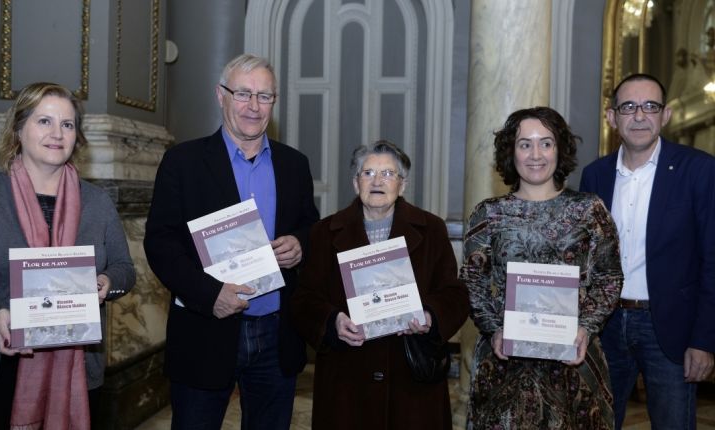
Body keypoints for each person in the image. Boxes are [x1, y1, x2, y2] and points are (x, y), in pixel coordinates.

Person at [144, 53, 319, 429]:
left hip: (276, 334)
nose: (254, 107)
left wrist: (301, 244)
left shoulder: (295, 164)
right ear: (220, 95)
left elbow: (310, 224)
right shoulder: (182, 162)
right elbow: (160, 243)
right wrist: (210, 296)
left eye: (265, 96)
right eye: (243, 94)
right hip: (205, 332)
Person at [0, 82, 136, 429]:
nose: (57, 133)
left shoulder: (97, 202)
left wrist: (107, 283)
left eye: (67, 124)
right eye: (44, 121)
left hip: (78, 370)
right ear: (18, 129)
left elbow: (125, 270)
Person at [461, 107, 623, 429]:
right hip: (505, 362)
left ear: (559, 150)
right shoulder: (489, 214)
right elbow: (472, 282)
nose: (536, 154)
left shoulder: (589, 210)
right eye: (525, 144)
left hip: (573, 361)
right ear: (511, 152)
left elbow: (609, 276)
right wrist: (495, 329)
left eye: (546, 143)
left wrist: (585, 328)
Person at [290, 140, 469, 429]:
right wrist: (332, 322)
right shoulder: (324, 232)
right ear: (355, 182)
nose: (377, 181)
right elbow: (304, 299)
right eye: (368, 173)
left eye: (388, 174)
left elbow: (454, 294)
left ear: (403, 185)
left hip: (412, 382)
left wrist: (429, 316)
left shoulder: (431, 228)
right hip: (347, 382)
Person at [580, 73, 715, 429]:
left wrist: (704, 340)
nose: (639, 116)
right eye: (629, 107)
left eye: (650, 106)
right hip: (605, 328)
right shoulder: (595, 176)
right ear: (612, 117)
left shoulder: (699, 171)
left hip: (669, 329)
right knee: (598, 422)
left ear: (665, 115)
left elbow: (712, 261)